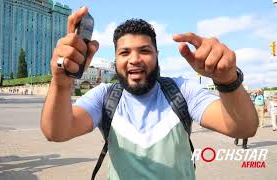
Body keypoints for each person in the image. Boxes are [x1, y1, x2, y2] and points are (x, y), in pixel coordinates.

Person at [41, 7, 259, 179]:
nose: (134, 59)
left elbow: (244, 127)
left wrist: (227, 81)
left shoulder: (181, 90)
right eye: (124, 52)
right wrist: (61, 82)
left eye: (144, 51)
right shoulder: (104, 96)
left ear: (157, 55)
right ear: (115, 60)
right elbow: (57, 132)